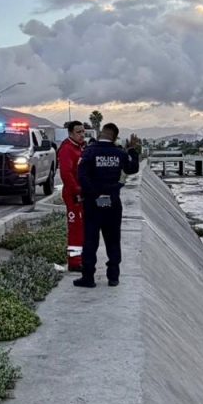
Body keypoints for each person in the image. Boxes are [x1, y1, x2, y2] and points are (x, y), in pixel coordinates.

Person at [75, 122, 141, 288]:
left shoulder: (89, 152)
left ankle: (88, 277)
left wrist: (94, 194)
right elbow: (132, 169)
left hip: (93, 203)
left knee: (90, 240)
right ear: (115, 136)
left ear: (102, 133)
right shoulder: (119, 153)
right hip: (112, 201)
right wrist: (132, 150)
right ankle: (113, 277)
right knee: (113, 239)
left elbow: (81, 176)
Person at [56, 120, 87, 272]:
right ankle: (74, 262)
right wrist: (77, 191)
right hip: (73, 195)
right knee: (75, 229)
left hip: (81, 194)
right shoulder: (67, 149)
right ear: (70, 133)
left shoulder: (80, 148)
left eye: (83, 131)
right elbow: (66, 174)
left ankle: (81, 258)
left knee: (82, 228)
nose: (82, 135)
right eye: (78, 132)